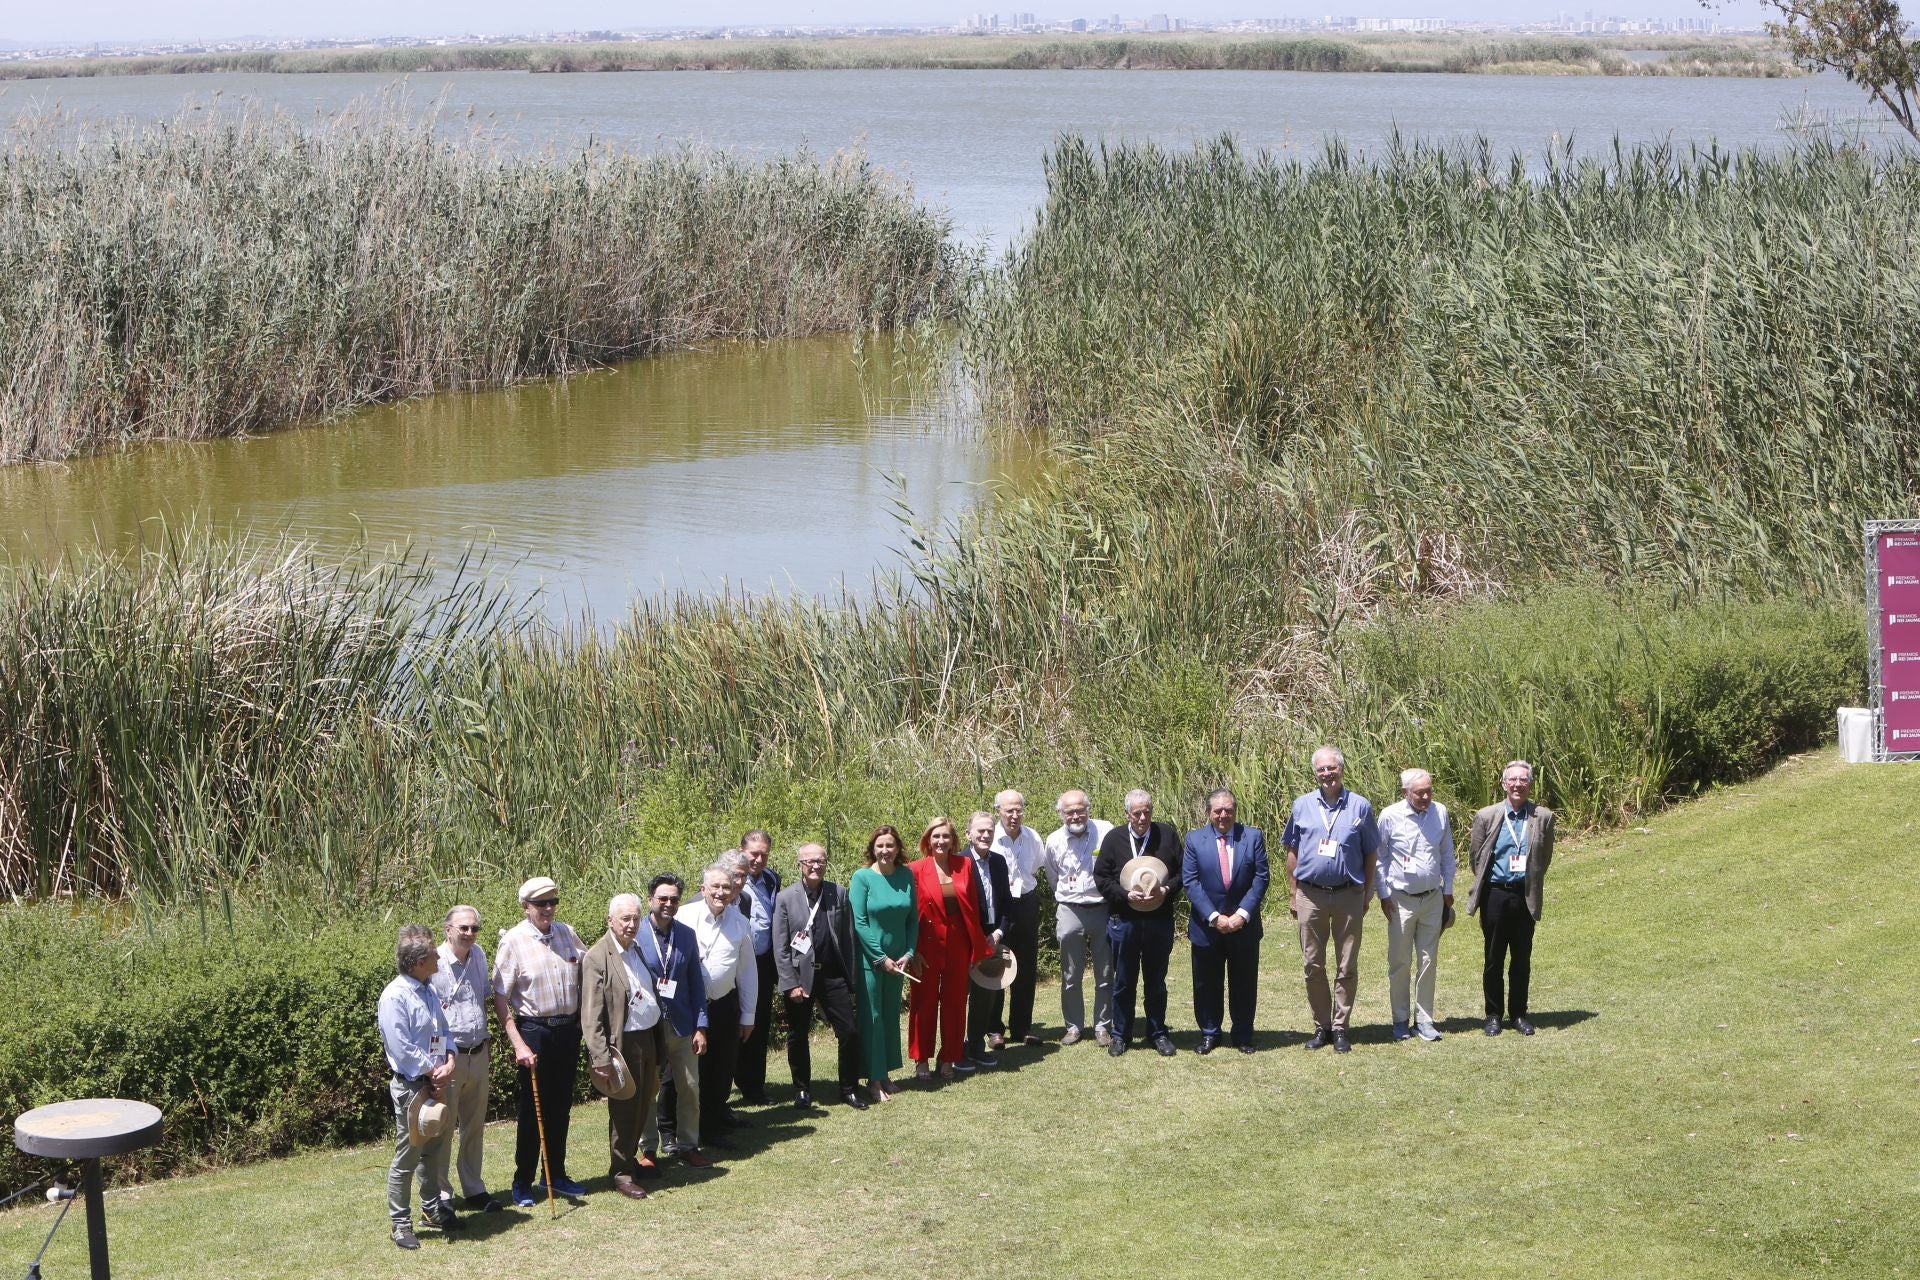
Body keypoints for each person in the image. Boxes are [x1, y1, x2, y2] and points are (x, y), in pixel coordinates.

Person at [491, 876, 589, 1203]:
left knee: (561, 1107)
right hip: (534, 1031)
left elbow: (589, 969)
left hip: (567, 1030)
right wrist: (518, 1043)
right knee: (533, 1111)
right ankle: (522, 1181)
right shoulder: (514, 941)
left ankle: (556, 1174)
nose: (548, 909)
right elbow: (500, 996)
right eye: (540, 904)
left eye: (552, 902)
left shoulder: (567, 933)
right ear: (526, 906)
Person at [1282, 747, 1381, 1054]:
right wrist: (1292, 892)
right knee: (1313, 964)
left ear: (1341, 769)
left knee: (1346, 964)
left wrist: (1366, 893)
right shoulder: (1302, 806)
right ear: (1316, 773)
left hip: (1347, 894)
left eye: (1332, 768)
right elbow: (1292, 851)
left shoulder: (1360, 807)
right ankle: (1321, 1026)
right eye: (1322, 769)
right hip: (1309, 894)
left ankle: (1340, 1027)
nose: (1327, 774)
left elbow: (1370, 853)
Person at [378, 924, 455, 1250]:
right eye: (434, 953)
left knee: (433, 1152)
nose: (439, 956)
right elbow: (401, 1047)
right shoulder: (395, 996)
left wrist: (449, 1060)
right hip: (413, 1086)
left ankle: (433, 1210)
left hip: (436, 1081)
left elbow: (444, 1031)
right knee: (407, 1156)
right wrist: (433, 1070)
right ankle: (400, 1224)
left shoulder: (428, 989)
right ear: (418, 962)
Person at [582, 893, 663, 1201]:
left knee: (643, 1104)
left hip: (647, 1038)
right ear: (610, 921)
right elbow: (591, 1015)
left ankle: (631, 1159)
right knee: (625, 1108)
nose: (631, 924)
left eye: (635, 919)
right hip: (622, 1045)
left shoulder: (636, 949)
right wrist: (600, 1057)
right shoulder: (597, 956)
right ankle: (621, 1172)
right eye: (625, 919)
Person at [772, 842, 866, 1110]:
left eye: (820, 860)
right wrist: (790, 984)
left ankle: (848, 1089)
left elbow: (848, 939)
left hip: (833, 975)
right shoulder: (786, 898)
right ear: (799, 864)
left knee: (849, 1031)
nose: (815, 866)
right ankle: (802, 1090)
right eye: (809, 861)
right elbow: (780, 947)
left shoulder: (838, 893)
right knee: (798, 1034)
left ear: (826, 862)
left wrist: (853, 981)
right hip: (801, 979)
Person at [1466, 760, 1556, 1037]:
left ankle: (1519, 1014)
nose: (1518, 784)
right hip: (1495, 893)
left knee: (1521, 958)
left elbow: (1544, 857)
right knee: (1493, 957)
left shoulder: (1543, 816)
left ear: (1530, 784)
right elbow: (1475, 858)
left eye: (1523, 780)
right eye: (1512, 780)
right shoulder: (1487, 815)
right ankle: (1493, 1015)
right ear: (1504, 784)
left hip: (1524, 895)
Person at [1093, 789, 1181, 1057]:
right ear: (1127, 814)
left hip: (1158, 920)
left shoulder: (1166, 834)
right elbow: (1101, 877)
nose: (1143, 818)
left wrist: (1166, 891)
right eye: (1137, 813)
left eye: (1147, 812)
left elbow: (1183, 873)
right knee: (1123, 981)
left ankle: (1158, 1032)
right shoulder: (1114, 839)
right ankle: (1121, 1034)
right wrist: (1124, 894)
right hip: (1124, 921)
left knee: (1156, 980)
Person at [1182, 788, 1270, 1054]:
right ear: (1208, 812)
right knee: (1206, 982)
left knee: (1244, 981)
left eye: (1228, 809)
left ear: (1235, 810)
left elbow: (1261, 878)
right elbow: (1190, 881)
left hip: (1244, 926)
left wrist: (1242, 915)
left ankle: (1242, 1034)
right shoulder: (1194, 840)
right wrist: (1214, 917)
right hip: (1207, 927)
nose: (1223, 815)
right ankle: (1210, 1033)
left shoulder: (1252, 836)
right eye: (1218, 810)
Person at [637, 873, 714, 1169]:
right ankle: (648, 1150)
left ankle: (688, 1145)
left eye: (674, 899)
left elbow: (695, 981)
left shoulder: (686, 934)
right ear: (650, 900)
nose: (669, 903)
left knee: (690, 1087)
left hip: (683, 1025)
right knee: (648, 1092)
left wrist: (701, 1025)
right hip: (648, 1027)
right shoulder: (636, 933)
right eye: (663, 898)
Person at [677, 864, 757, 1147]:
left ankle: (711, 1129)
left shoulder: (739, 922)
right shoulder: (683, 917)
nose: (721, 892)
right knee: (686, 1073)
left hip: (725, 1006)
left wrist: (748, 1015)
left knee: (721, 1070)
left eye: (726, 887)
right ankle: (676, 1132)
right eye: (715, 887)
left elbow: (747, 972)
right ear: (703, 890)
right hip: (688, 1007)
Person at [429, 905, 502, 1215]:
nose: (470, 933)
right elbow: (429, 1017)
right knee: (443, 1127)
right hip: (449, 1057)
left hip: (478, 1052)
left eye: (475, 928)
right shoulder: (433, 963)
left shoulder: (480, 955)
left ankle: (473, 1188)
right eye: (464, 928)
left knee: (474, 1126)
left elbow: (483, 997)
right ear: (448, 930)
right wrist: (437, 1064)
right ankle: (442, 1194)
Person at [908, 816, 991, 1083]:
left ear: (953, 840)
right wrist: (913, 951)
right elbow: (911, 915)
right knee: (924, 1003)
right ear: (927, 840)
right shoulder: (915, 869)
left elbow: (973, 909)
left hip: (958, 944)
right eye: (936, 836)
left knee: (955, 1004)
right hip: (927, 945)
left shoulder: (964, 864)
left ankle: (949, 1058)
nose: (941, 841)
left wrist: (976, 949)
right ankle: (921, 1059)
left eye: (945, 836)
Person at [1376, 768, 1456, 1043]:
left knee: (1428, 960)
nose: (1425, 796)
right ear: (1405, 793)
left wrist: (1448, 891)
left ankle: (1424, 1020)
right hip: (1400, 900)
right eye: (1419, 792)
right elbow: (1379, 858)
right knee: (1399, 961)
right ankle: (1400, 1020)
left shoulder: (1440, 812)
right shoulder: (1389, 816)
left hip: (1433, 898)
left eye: (1428, 791)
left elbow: (1447, 853)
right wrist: (1384, 895)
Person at [849, 825, 920, 1103]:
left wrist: (910, 953)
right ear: (872, 848)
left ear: (898, 848)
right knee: (873, 1018)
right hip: (872, 960)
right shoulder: (862, 878)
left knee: (890, 1016)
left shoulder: (906, 875)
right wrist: (880, 957)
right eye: (880, 845)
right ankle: (872, 1079)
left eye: (890, 845)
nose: (885, 850)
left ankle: (885, 1073)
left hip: (899, 961)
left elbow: (912, 919)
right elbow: (860, 922)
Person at [1042, 789, 1114, 1046]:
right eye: (1069, 811)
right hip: (1070, 909)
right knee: (1071, 974)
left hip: (1101, 907)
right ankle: (1073, 1026)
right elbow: (1053, 876)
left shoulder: (1105, 831)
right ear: (1061, 814)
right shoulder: (1053, 840)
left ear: (1088, 809)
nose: (1075, 815)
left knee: (1105, 971)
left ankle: (1102, 1026)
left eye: (1079, 810)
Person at [990, 789, 1046, 1046]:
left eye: (1018, 810)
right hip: (999, 906)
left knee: (1025, 966)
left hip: (1026, 902)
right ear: (998, 811)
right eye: (1008, 810)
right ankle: (994, 1030)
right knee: (998, 964)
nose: (1014, 815)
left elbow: (1034, 867)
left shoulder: (1032, 837)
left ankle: (1021, 1027)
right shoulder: (991, 838)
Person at [733, 830, 782, 1107]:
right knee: (731, 1027)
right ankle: (726, 1085)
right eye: (754, 853)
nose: (759, 859)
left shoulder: (772, 879)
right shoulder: (729, 881)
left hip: (763, 963)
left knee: (759, 1024)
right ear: (742, 850)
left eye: (764, 854)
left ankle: (754, 1086)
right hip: (734, 965)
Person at [962, 810, 1014, 1068]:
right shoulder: (958, 863)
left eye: (989, 831)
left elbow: (1006, 904)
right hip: (964, 941)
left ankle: (976, 1046)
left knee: (986, 996)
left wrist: (997, 934)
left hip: (992, 940)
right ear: (968, 834)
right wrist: (975, 938)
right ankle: (956, 1049)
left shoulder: (999, 862)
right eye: (980, 831)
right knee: (960, 997)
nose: (985, 835)